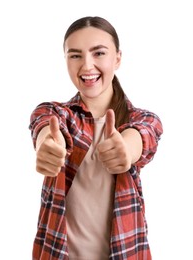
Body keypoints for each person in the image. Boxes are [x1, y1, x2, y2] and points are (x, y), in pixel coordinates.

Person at [29, 16, 163, 260]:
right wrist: (47, 145)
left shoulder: (143, 119)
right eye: (75, 55)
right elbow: (44, 127)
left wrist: (126, 150)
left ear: (117, 58)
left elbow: (142, 137)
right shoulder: (54, 113)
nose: (87, 66)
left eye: (99, 53)